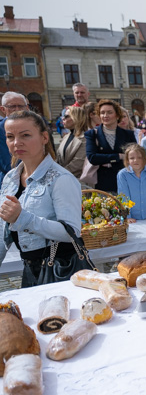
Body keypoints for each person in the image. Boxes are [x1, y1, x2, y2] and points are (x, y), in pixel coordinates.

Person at [0, 110, 82, 286]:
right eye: (10, 136)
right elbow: (3, 232)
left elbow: (71, 233)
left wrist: (22, 218)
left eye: (26, 135)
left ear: (44, 137)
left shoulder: (61, 179)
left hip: (59, 271)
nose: (16, 142)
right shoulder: (10, 178)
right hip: (29, 269)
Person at [84, 99, 137, 193]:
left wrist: (104, 158)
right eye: (102, 113)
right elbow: (92, 158)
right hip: (102, 184)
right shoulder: (92, 134)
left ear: (117, 115)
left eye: (109, 112)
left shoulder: (128, 134)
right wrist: (119, 156)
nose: (105, 116)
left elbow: (134, 156)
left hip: (126, 181)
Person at [117, 144, 146, 222]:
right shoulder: (123, 175)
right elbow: (124, 197)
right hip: (131, 219)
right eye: (132, 158)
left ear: (144, 158)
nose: (135, 160)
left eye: (139, 157)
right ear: (127, 160)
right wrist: (127, 216)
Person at [56, 106, 87, 180]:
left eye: (66, 116)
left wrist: (59, 174)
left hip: (78, 182)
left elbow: (78, 163)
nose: (63, 118)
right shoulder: (66, 136)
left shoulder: (86, 137)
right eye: (63, 116)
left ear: (76, 118)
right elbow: (59, 159)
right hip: (62, 179)